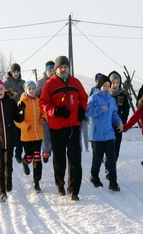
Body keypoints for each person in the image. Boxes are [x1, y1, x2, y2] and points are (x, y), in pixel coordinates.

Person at [39, 55, 88, 201]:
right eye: (61, 67)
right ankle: (59, 184)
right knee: (59, 159)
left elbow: (84, 98)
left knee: (75, 159)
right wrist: (55, 111)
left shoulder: (75, 82)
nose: (64, 69)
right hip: (57, 128)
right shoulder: (50, 84)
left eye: (66, 66)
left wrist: (82, 110)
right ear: (56, 69)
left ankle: (73, 191)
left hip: (73, 127)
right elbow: (43, 103)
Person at [86, 75, 123, 191]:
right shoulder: (94, 98)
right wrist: (100, 109)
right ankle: (94, 176)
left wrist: (119, 122)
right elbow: (88, 112)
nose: (107, 88)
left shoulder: (112, 100)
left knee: (111, 159)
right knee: (98, 158)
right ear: (100, 86)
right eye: (104, 86)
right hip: (97, 135)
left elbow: (114, 114)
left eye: (108, 86)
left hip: (109, 134)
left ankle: (113, 182)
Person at [15, 80, 46, 193]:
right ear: (26, 90)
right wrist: (25, 125)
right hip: (27, 135)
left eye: (33, 88)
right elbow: (16, 120)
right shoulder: (21, 103)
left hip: (38, 134)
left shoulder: (39, 101)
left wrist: (44, 118)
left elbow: (44, 112)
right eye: (30, 88)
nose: (32, 90)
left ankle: (36, 181)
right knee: (29, 156)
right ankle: (25, 162)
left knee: (37, 157)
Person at [104, 70, 130, 179]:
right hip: (107, 126)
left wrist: (122, 122)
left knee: (116, 149)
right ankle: (109, 168)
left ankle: (111, 167)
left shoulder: (122, 95)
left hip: (118, 126)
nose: (115, 85)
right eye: (113, 82)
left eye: (117, 82)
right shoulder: (105, 95)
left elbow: (126, 110)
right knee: (109, 148)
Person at [4, 63, 25, 164]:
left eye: (17, 72)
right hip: (10, 110)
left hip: (20, 109)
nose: (16, 73)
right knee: (12, 133)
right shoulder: (6, 83)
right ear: (11, 72)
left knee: (20, 132)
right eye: (14, 72)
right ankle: (10, 152)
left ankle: (18, 153)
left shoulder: (23, 83)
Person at [36, 60, 55, 162]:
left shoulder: (57, 81)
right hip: (44, 112)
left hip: (55, 112)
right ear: (46, 72)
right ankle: (46, 151)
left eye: (53, 70)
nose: (52, 72)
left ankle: (54, 149)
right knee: (45, 134)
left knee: (54, 134)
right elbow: (36, 94)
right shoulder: (42, 82)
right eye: (50, 70)